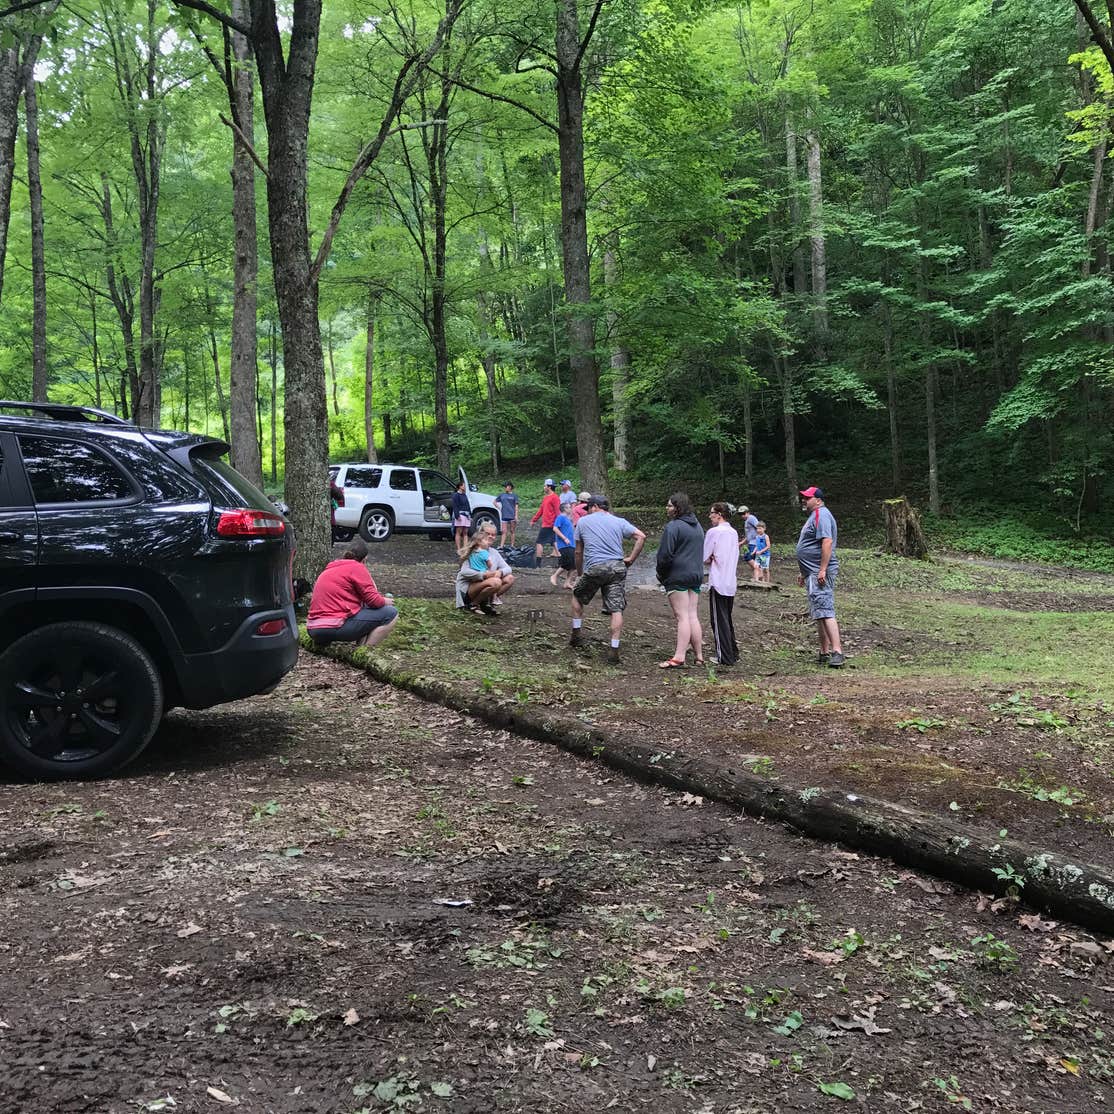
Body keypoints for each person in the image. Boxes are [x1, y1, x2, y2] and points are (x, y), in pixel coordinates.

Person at [570, 494, 646, 665]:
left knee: (576, 594)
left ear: (595, 506)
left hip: (595, 567)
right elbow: (641, 536)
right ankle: (614, 649)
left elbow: (578, 552)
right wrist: (631, 559)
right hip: (617, 568)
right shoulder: (619, 521)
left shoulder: (583, 522)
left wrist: (580, 574)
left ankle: (576, 635)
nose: (588, 511)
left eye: (588, 508)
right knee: (616, 608)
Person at [306, 538, 398, 648]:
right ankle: (364, 652)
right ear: (364, 559)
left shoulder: (330, 569)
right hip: (335, 625)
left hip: (313, 628)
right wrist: (385, 601)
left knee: (363, 612)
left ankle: (325, 645)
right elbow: (374, 601)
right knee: (391, 613)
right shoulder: (357, 567)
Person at [796, 485, 844, 668]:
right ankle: (824, 651)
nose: (804, 500)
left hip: (819, 572)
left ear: (818, 500)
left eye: (807, 498)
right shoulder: (813, 516)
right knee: (819, 612)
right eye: (804, 497)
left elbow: (827, 541)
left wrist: (822, 569)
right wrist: (804, 572)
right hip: (812, 572)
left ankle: (837, 651)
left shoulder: (821, 515)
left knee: (826, 610)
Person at [655, 492, 705, 668]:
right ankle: (699, 656)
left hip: (678, 576)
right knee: (692, 615)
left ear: (677, 508)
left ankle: (679, 656)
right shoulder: (698, 526)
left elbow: (665, 555)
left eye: (669, 505)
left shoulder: (673, 526)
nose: (667, 508)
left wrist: (661, 574)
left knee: (682, 616)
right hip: (696, 575)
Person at [703, 502, 739, 666]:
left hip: (718, 581)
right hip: (730, 580)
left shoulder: (714, 532)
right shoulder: (733, 533)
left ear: (719, 514)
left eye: (711, 513)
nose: (710, 516)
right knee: (727, 618)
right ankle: (732, 652)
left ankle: (724, 656)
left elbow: (705, 557)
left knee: (718, 620)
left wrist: (710, 558)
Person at [455, 526, 516, 614]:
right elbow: (464, 572)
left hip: (486, 582)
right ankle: (473, 604)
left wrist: (500, 572)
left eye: (493, 535)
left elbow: (508, 568)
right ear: (480, 536)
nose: (491, 537)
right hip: (469, 587)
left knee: (509, 578)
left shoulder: (494, 552)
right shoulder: (472, 552)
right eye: (488, 534)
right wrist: (483, 575)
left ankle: (486, 602)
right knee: (495, 582)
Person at [530, 478, 561, 564]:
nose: (544, 487)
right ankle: (561, 561)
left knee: (539, 542)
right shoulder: (546, 498)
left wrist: (558, 524)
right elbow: (541, 510)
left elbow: (557, 511)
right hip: (547, 524)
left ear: (549, 487)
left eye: (545, 486)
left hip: (550, 524)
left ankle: (538, 563)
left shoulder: (555, 498)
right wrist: (534, 520)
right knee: (554, 542)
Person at [550, 508, 576, 588]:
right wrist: (564, 538)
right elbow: (555, 528)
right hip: (564, 544)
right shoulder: (560, 517)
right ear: (564, 509)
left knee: (574, 565)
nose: (570, 508)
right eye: (569, 507)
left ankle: (567, 583)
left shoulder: (568, 519)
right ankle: (554, 576)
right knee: (566, 562)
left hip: (572, 544)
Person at [494, 481, 519, 547]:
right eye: (504, 487)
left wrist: (516, 515)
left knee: (512, 531)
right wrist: (499, 507)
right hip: (504, 515)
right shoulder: (502, 495)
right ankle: (501, 546)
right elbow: (494, 502)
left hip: (512, 515)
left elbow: (516, 506)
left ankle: (512, 545)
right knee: (504, 531)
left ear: (510, 487)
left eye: (506, 486)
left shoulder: (514, 496)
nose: (505, 488)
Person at [738, 504, 759, 578]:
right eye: (740, 514)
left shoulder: (751, 518)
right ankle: (756, 576)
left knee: (748, 557)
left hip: (755, 543)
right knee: (752, 559)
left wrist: (761, 540)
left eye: (743, 514)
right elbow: (749, 536)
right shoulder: (747, 521)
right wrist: (742, 542)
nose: (742, 516)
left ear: (747, 512)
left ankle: (759, 570)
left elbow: (759, 528)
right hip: (751, 543)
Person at [451, 480, 471, 551]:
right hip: (460, 514)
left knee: (465, 532)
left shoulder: (464, 495)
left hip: (466, 515)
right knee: (458, 532)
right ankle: (459, 549)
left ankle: (465, 548)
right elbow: (455, 506)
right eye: (464, 485)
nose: (465, 486)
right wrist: (457, 515)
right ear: (460, 486)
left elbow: (467, 505)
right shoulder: (456, 495)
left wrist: (470, 514)